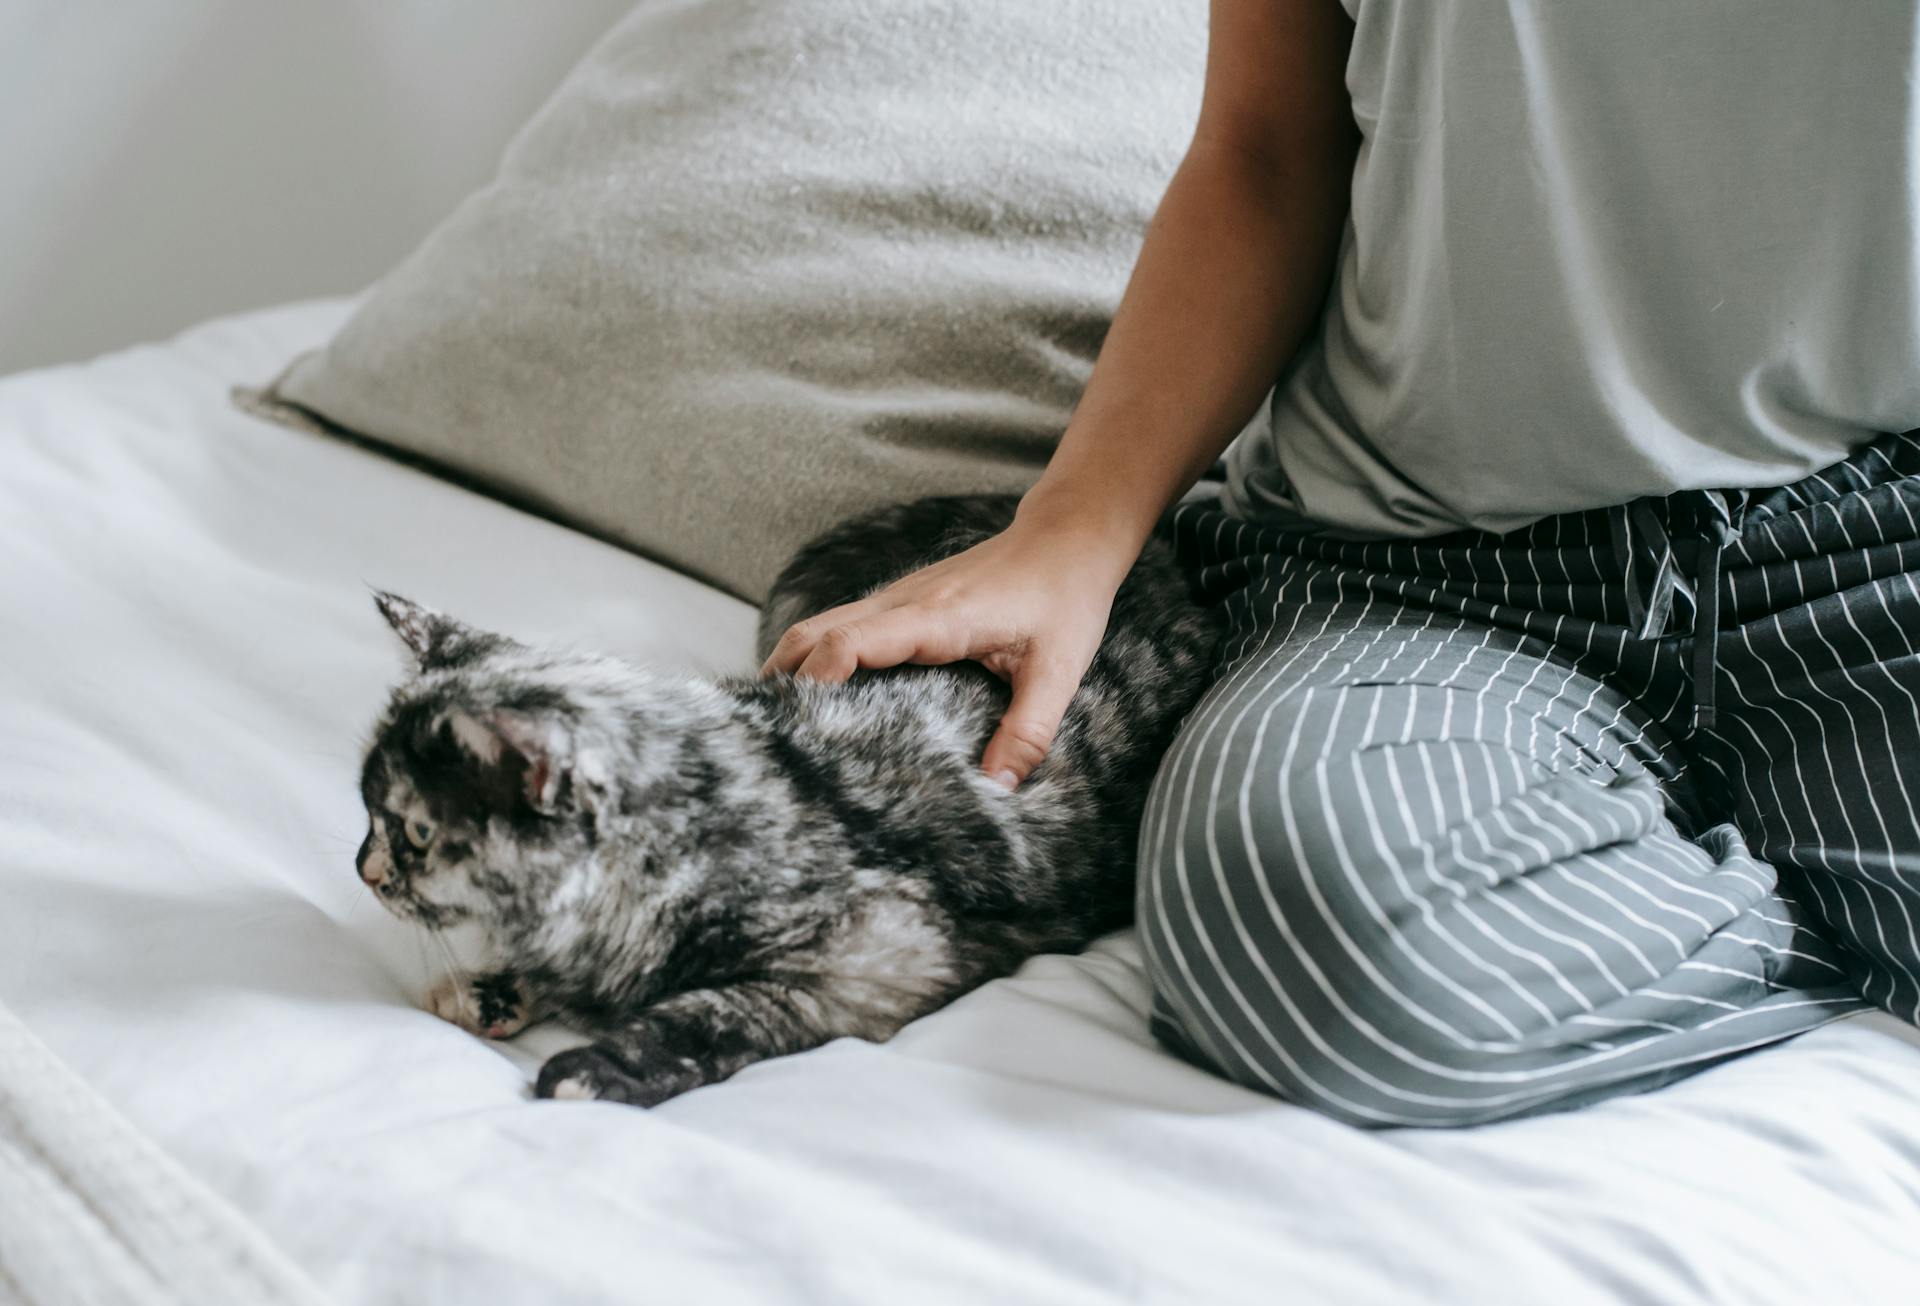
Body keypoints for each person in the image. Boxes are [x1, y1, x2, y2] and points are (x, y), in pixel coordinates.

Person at [762, 0, 1920, 1125]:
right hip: (1424, 578)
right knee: (1302, 940)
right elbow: (1266, 151)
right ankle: (1837, 913)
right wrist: (1071, 527)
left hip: (1871, 556)